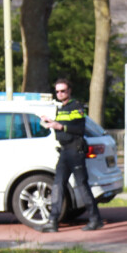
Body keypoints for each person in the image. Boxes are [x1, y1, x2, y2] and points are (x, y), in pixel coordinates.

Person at [39, 77, 103, 233]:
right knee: (57, 185)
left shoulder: (76, 106)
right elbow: (62, 126)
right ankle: (53, 221)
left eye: (63, 91)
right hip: (65, 151)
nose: (60, 94)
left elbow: (79, 129)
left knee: (82, 184)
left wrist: (59, 126)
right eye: (57, 91)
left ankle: (95, 220)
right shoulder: (61, 108)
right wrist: (50, 122)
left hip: (75, 150)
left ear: (69, 91)